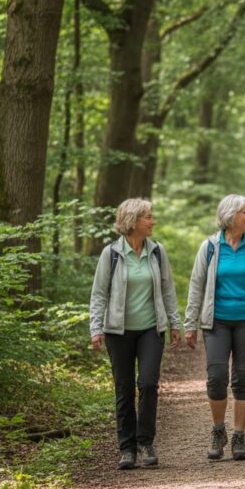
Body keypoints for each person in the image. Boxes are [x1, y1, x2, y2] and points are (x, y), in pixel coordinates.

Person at [184, 195, 245, 461]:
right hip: (216, 322)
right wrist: (189, 324)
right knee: (216, 377)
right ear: (230, 215)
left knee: (242, 378)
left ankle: (239, 436)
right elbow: (196, 287)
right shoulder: (210, 247)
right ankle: (219, 431)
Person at [90, 198, 183, 470]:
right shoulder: (112, 254)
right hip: (118, 332)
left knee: (148, 384)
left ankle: (146, 442)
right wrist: (96, 328)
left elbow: (167, 290)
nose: (152, 221)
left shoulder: (157, 252)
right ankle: (127, 448)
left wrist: (174, 323)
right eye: (148, 217)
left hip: (151, 330)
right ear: (132, 221)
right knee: (124, 389)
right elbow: (99, 294)